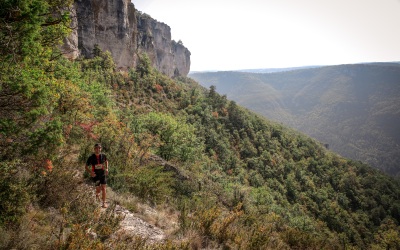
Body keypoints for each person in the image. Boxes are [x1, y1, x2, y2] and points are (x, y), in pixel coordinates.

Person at [85, 143, 109, 208]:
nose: (98, 149)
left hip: (102, 174)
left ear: (101, 149)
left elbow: (106, 161)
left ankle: (104, 203)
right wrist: (91, 172)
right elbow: (86, 167)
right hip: (95, 175)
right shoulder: (91, 157)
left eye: (99, 148)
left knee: (104, 188)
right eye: (96, 148)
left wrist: (106, 168)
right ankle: (97, 195)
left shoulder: (103, 155)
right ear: (94, 149)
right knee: (98, 189)